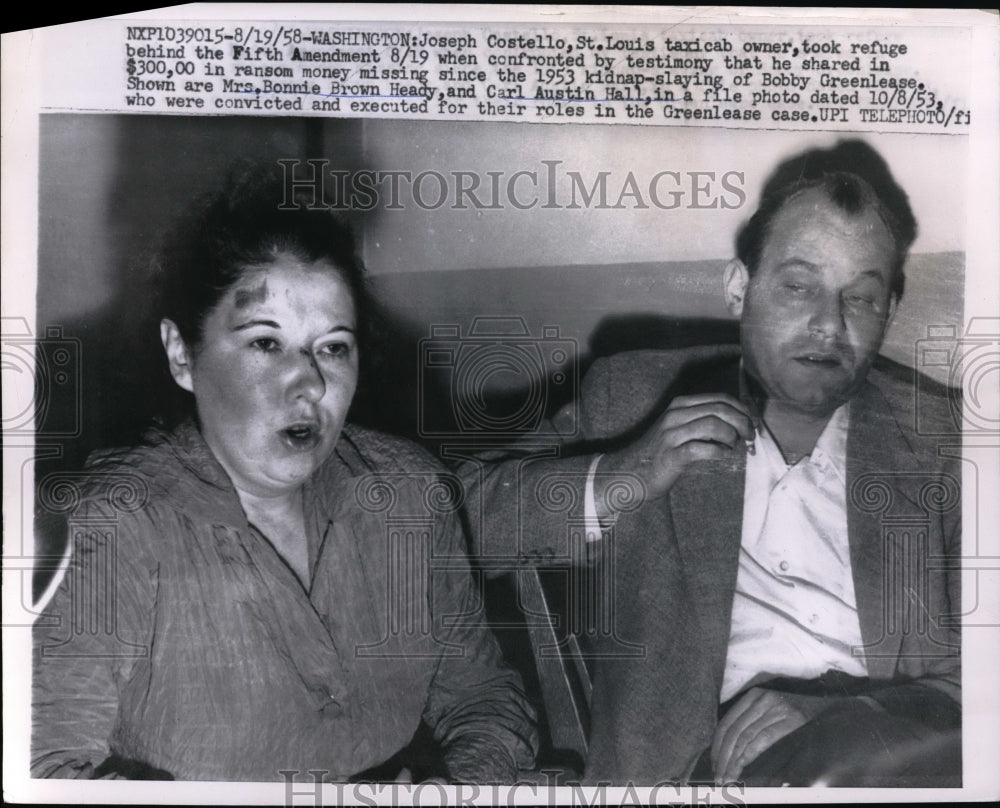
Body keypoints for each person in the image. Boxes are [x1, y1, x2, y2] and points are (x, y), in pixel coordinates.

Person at [459, 140, 960, 786]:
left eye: (860, 299)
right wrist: (622, 476)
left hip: (896, 760)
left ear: (889, 312)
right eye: (798, 287)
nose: (828, 325)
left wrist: (844, 715)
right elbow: (456, 522)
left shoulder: (944, 440)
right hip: (695, 775)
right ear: (738, 289)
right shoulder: (635, 397)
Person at [31, 164, 537, 782]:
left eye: (333, 347)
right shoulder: (107, 528)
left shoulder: (409, 496)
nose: (311, 383)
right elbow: (44, 769)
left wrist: (452, 792)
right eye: (266, 343)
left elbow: (485, 702)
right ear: (182, 355)